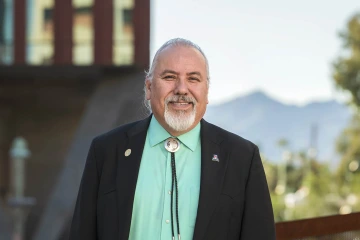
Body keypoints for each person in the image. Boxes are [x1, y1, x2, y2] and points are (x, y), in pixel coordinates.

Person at [69, 38, 276, 240]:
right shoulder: (106, 150)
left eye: (193, 79)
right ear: (149, 88)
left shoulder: (242, 158)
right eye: (169, 77)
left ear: (206, 91)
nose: (182, 89)